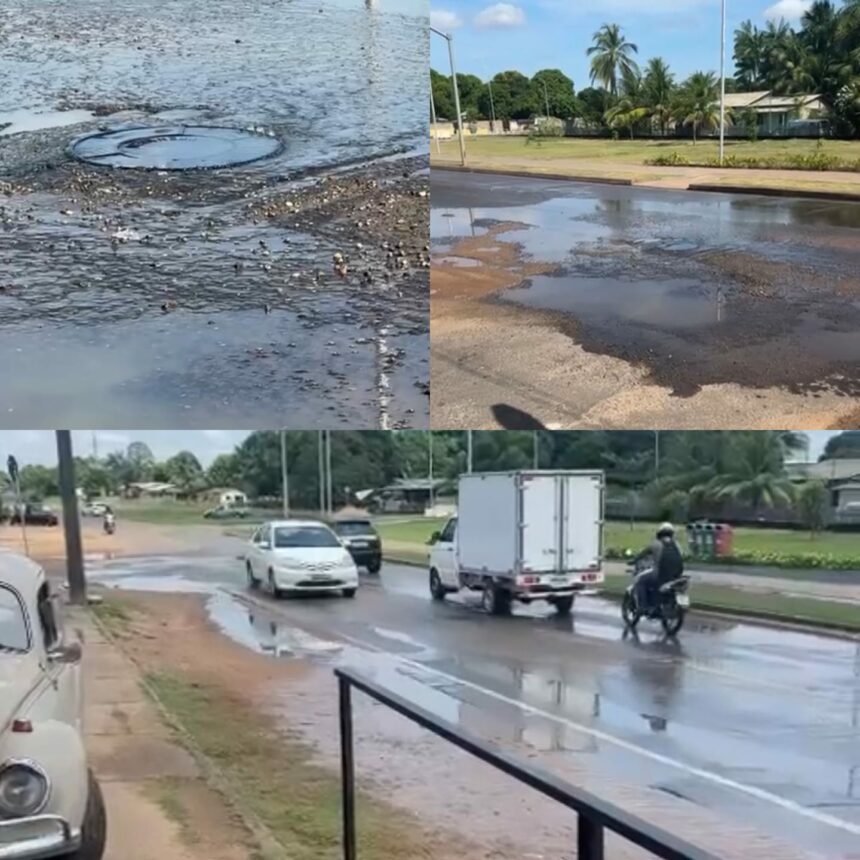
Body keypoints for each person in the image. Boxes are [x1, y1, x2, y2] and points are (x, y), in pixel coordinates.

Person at [634, 523, 683, 613]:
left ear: (659, 533)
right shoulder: (677, 545)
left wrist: (634, 560)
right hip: (676, 575)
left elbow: (642, 554)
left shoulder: (656, 544)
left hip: (660, 574)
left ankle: (643, 607)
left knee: (640, 581)